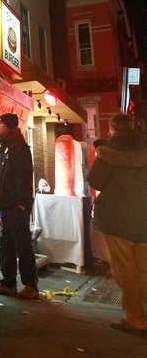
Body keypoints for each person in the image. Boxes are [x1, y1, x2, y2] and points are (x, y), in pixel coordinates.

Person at [88, 112, 147, 337]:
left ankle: (136, 319)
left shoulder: (109, 151)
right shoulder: (144, 145)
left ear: (112, 129)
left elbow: (95, 181)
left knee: (126, 272)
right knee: (144, 271)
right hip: (144, 220)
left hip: (119, 220)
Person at [0, 113, 38, 300]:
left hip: (15, 205)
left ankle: (30, 285)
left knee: (22, 244)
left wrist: (22, 203)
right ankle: (8, 283)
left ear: (8, 126)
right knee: (6, 243)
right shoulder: (7, 147)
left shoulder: (18, 148)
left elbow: (22, 178)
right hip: (7, 203)